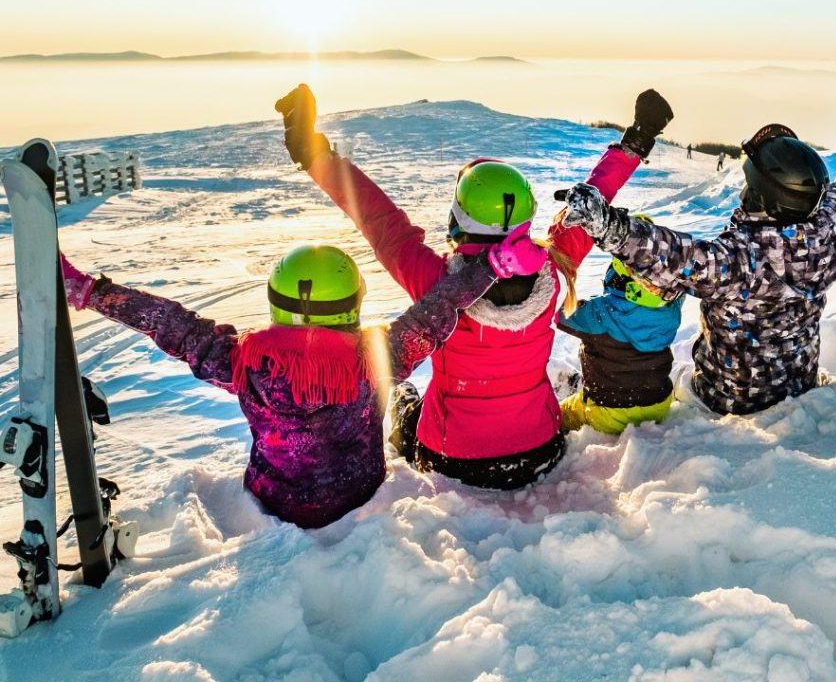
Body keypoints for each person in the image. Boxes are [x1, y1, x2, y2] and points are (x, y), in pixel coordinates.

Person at [275, 84, 673, 489]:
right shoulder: (553, 270)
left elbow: (379, 219)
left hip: (453, 459)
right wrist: (636, 140)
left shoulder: (436, 283)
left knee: (405, 402)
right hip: (540, 449)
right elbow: (591, 204)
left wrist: (314, 155)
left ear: (458, 217)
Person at [59, 226, 546, 527]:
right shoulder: (377, 358)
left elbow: (172, 324)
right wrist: (492, 266)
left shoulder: (244, 361)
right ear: (353, 305)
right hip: (360, 493)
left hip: (276, 503)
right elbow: (438, 310)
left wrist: (92, 292)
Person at [558, 93, 836, 415]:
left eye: (750, 185)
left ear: (763, 196)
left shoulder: (740, 260)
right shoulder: (828, 228)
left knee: (672, 386)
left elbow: (671, 256)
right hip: (799, 386)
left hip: (726, 400)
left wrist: (606, 224)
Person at [558, 215, 684, 435]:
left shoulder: (599, 313)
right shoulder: (670, 308)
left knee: (562, 413)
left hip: (610, 412)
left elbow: (559, 314)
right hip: (659, 404)